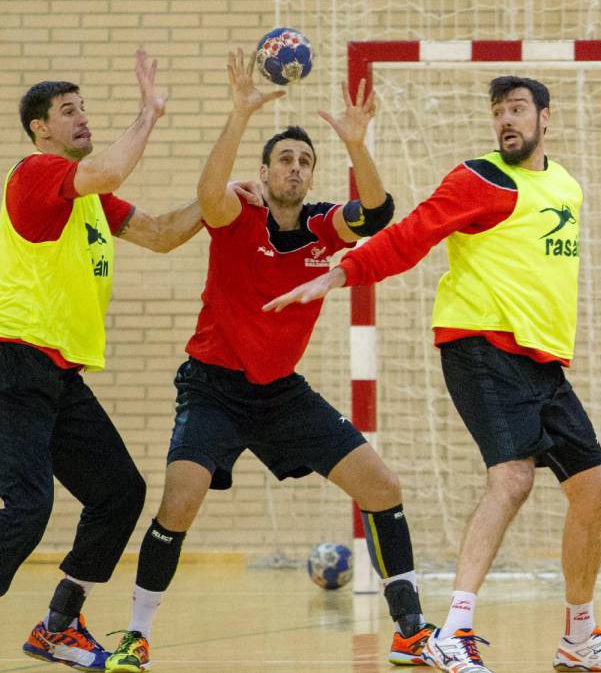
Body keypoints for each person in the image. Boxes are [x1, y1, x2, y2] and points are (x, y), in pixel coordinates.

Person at [266, 76, 601, 673]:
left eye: (518, 110)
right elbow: (412, 234)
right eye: (499, 112)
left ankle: (580, 636)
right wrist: (341, 273)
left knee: (598, 487)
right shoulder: (480, 178)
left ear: (544, 118)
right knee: (513, 480)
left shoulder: (566, 186)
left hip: (541, 361)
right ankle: (453, 631)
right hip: (479, 347)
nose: (507, 121)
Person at [104, 49, 430, 673]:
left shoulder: (325, 225)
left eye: (306, 161)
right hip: (213, 388)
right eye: (286, 158)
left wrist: (358, 145)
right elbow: (206, 193)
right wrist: (239, 113)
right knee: (181, 499)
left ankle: (411, 631)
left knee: (383, 487)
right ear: (265, 168)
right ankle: (136, 634)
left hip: (281, 393)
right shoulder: (235, 212)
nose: (296, 167)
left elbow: (380, 215)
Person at [0, 50, 220, 673]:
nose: (81, 119)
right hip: (9, 360)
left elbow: (159, 233)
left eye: (84, 108)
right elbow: (107, 170)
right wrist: (150, 114)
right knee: (28, 505)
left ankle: (58, 624)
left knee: (118, 493)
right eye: (67, 111)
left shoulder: (88, 200)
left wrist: (224, 200)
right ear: (40, 129)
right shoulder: (35, 173)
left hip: (56, 372)